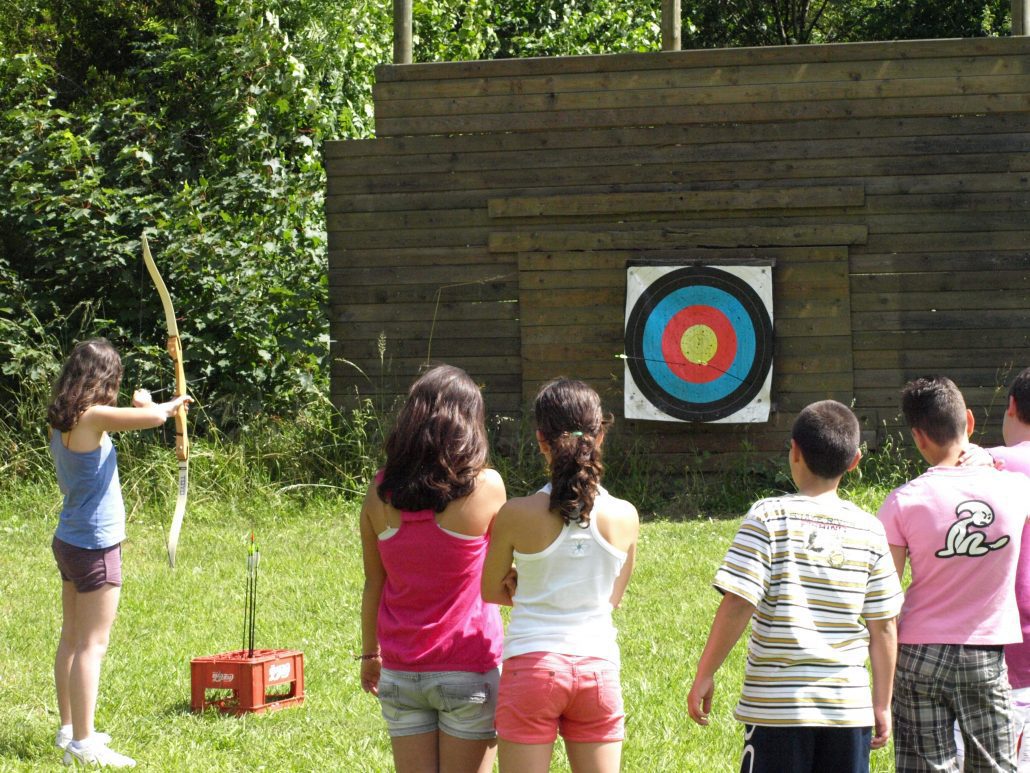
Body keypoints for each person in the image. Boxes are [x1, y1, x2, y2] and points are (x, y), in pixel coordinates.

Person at [687, 400, 903, 773]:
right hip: (848, 711)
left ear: (794, 452)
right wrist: (881, 702)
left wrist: (705, 672)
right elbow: (883, 625)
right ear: (854, 462)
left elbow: (739, 602)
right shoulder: (870, 529)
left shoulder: (768, 516)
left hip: (777, 710)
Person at [482, 378, 639, 773]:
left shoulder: (516, 514)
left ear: (540, 440)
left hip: (531, 669)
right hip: (598, 667)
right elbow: (611, 599)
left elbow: (489, 589)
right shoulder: (625, 515)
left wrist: (525, 582)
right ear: (599, 435)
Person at [48, 338, 190, 768]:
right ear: (102, 379)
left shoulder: (62, 417)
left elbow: (135, 418)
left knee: (72, 639)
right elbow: (151, 418)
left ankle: (70, 728)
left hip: (70, 540)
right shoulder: (93, 416)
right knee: (92, 644)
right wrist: (157, 403)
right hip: (94, 545)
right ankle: (84, 742)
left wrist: (149, 406)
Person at [358, 364, 507, 773]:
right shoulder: (488, 486)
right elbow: (505, 574)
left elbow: (375, 582)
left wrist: (370, 652)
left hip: (401, 672)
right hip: (469, 667)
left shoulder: (377, 491)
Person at [878, 375, 1030, 772]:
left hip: (917, 654)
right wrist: (988, 459)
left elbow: (885, 605)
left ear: (918, 437)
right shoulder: (1016, 490)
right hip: (985, 653)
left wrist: (881, 681)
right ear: (969, 420)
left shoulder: (901, 502)